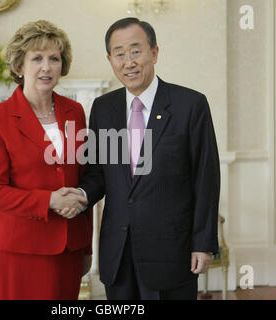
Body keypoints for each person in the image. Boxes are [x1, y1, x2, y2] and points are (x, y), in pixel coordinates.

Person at [58, 17, 220, 300]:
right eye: (119, 54)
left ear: (154, 53)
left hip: (172, 254)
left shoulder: (190, 105)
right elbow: (98, 172)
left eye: (136, 51)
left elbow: (206, 179)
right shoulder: (103, 108)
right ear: (110, 59)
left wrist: (203, 244)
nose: (128, 62)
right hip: (118, 255)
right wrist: (80, 194)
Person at [0, 20, 92, 300]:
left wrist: (87, 247)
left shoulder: (75, 111)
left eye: (54, 58)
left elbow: (82, 176)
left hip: (69, 246)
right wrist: (49, 201)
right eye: (37, 58)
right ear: (20, 66)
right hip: (19, 248)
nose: (47, 67)